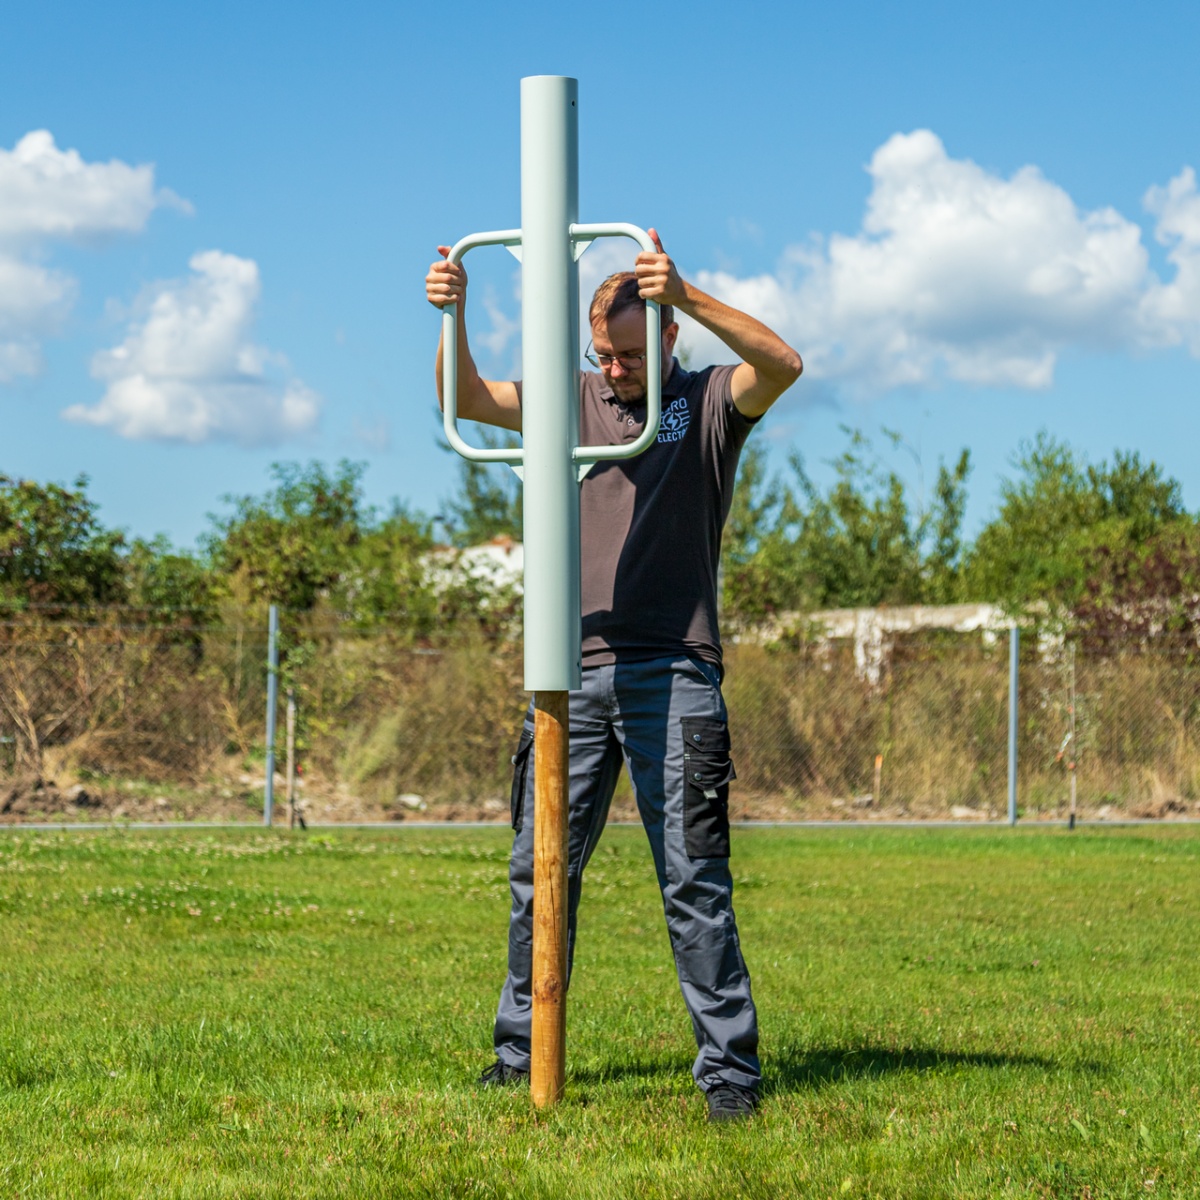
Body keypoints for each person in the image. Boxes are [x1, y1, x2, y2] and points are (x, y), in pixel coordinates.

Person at [425, 230, 802, 1121]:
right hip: (571, 673)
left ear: (668, 336)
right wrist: (454, 312)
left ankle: (731, 1078)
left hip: (674, 672)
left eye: (630, 354)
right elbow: (468, 398)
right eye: (603, 354)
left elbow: (782, 362)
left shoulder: (708, 400)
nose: (615, 370)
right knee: (539, 869)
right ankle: (518, 1055)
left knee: (693, 878)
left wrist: (689, 289)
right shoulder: (572, 400)